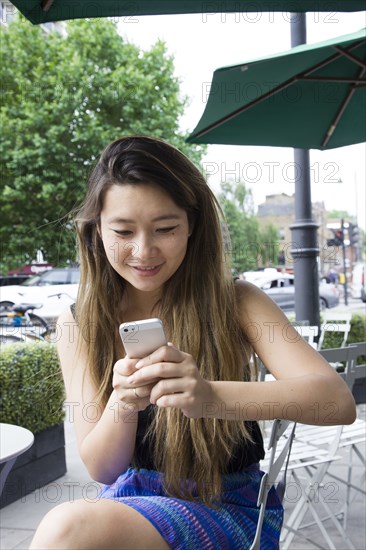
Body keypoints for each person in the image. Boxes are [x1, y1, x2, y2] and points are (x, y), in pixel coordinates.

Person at [30, 136, 356, 550]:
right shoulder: (77, 324)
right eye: (123, 231)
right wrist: (123, 402)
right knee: (70, 528)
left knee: (69, 530)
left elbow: (336, 401)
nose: (143, 250)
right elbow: (102, 467)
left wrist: (208, 397)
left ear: (192, 227)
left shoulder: (236, 301)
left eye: (165, 229)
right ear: (95, 231)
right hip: (133, 498)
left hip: (228, 505)